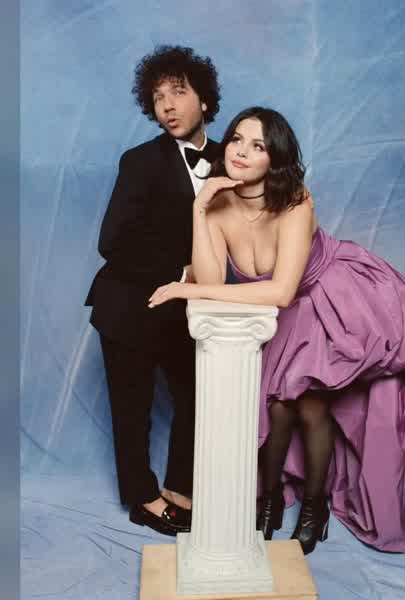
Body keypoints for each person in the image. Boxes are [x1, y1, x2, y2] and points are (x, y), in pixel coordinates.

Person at [147, 106, 405, 554]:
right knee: (276, 408)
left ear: (274, 159)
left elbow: (281, 291)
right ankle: (269, 500)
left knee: (310, 405)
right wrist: (199, 211)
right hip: (281, 310)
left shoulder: (295, 200)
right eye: (236, 139)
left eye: (258, 145)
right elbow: (213, 283)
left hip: (332, 298)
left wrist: (185, 288)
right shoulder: (216, 206)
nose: (241, 151)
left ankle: (315, 507)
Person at [85, 45, 221, 536]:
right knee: (132, 410)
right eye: (158, 97)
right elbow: (111, 242)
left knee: (198, 397)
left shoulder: (230, 159)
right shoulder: (139, 161)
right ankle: (143, 497)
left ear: (203, 99)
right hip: (127, 305)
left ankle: (180, 489)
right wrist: (182, 272)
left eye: (177, 93)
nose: (167, 106)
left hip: (185, 311)